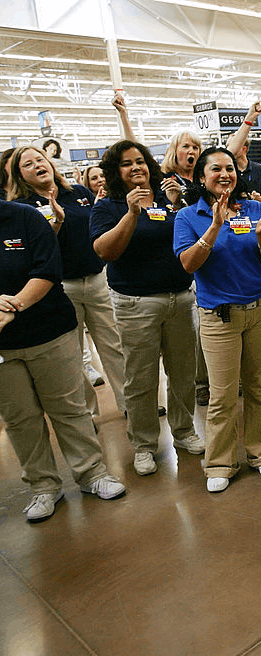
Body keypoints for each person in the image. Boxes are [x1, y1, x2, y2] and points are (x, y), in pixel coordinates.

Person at [0, 200, 126, 522]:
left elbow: (47, 268)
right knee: (20, 418)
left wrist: (12, 306)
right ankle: (43, 487)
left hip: (49, 332)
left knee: (68, 408)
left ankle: (92, 474)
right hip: (3, 349)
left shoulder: (24, 217)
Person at [90, 140, 204, 476]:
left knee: (183, 373)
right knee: (140, 380)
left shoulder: (169, 202)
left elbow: (188, 237)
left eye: (140, 161)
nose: (136, 167)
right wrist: (131, 212)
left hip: (180, 298)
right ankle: (143, 445)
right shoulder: (108, 206)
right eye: (127, 164)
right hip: (136, 303)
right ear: (116, 171)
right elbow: (105, 251)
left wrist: (177, 204)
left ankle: (184, 431)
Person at [174, 147, 261, 492]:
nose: (225, 174)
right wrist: (215, 226)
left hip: (260, 311)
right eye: (216, 169)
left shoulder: (253, 209)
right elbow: (189, 264)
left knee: (257, 386)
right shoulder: (189, 217)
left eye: (230, 168)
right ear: (201, 177)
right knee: (221, 395)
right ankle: (220, 462)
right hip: (218, 318)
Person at [8, 146, 127, 420]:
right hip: (61, 288)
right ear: (20, 175)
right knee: (72, 356)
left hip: (97, 280)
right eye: (28, 164)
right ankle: (86, 412)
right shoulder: (22, 210)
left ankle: (128, 403)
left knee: (114, 346)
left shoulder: (78, 194)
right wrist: (56, 224)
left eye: (40, 159)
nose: (38, 165)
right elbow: (33, 252)